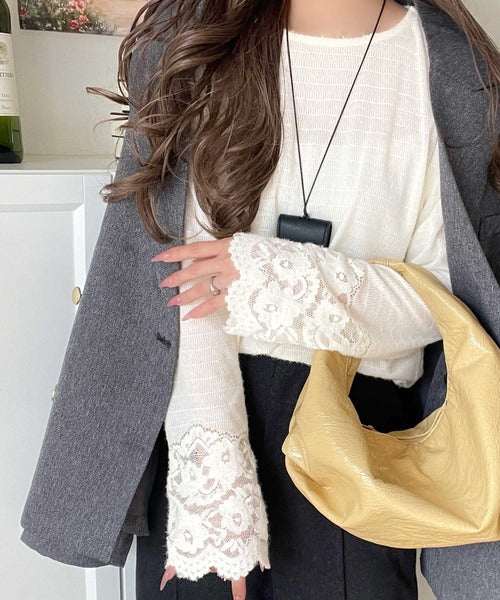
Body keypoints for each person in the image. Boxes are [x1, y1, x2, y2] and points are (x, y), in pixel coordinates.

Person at [19, 0, 499, 599]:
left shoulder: (451, 66)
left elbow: (441, 304)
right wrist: (213, 495)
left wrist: (269, 276)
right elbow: (179, 289)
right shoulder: (202, 38)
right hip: (202, 424)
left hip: (362, 447)